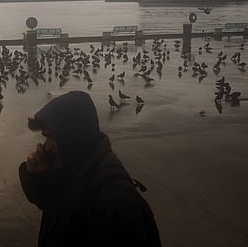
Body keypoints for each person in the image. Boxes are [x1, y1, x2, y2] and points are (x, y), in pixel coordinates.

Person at [19, 91, 161, 246]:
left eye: (52, 137)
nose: (47, 146)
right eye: (45, 137)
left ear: (73, 136)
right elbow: (55, 204)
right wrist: (39, 176)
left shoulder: (115, 200)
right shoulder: (78, 169)